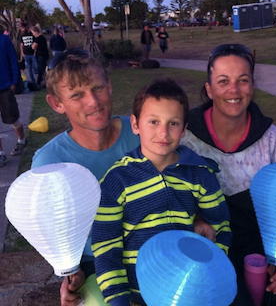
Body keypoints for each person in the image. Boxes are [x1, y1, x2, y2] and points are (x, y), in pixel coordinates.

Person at [32, 51, 216, 306]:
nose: (93, 102)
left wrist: (197, 218)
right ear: (56, 103)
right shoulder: (49, 163)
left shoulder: (146, 130)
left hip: (163, 250)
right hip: (95, 261)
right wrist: (72, 273)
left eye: (97, 88)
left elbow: (182, 177)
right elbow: (58, 232)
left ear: (109, 85)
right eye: (77, 95)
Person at [180, 44, 276, 306]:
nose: (234, 90)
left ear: (252, 85)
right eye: (223, 81)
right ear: (209, 89)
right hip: (208, 246)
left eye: (243, 80)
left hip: (263, 246)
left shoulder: (274, 141)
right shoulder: (185, 137)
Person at [92, 79, 231, 306]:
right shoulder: (116, 181)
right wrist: (117, 299)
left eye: (173, 123)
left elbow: (221, 227)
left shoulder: (201, 175)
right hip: (136, 296)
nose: (163, 132)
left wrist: (209, 272)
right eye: (154, 121)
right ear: (135, 125)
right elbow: (106, 245)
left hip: (188, 292)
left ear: (184, 128)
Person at [0, 33, 28, 166]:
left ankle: (22, 141)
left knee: (12, 119)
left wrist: (14, 83)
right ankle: (1, 154)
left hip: (5, 87)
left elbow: (13, 61)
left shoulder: (4, 40)